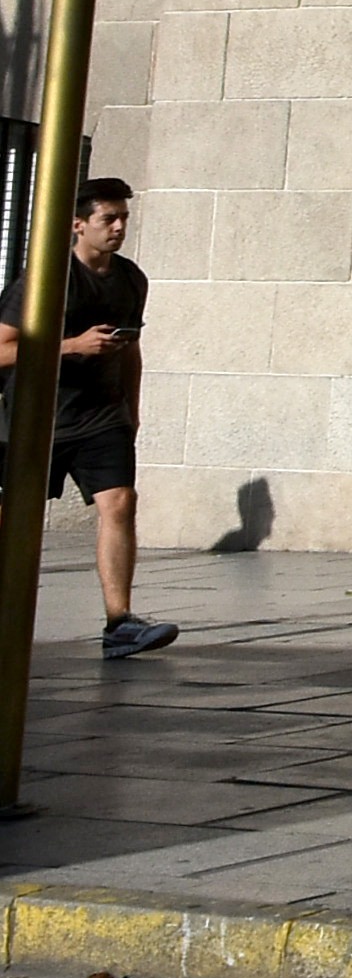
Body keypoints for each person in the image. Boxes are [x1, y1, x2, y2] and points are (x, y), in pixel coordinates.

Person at [0, 179, 176, 656]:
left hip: (102, 417)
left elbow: (131, 348)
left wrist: (132, 410)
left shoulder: (131, 278)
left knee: (119, 502)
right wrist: (72, 346)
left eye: (123, 218)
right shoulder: (45, 279)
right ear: (79, 224)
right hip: (38, 418)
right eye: (108, 219)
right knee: (17, 518)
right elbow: (2, 349)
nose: (119, 227)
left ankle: (119, 622)